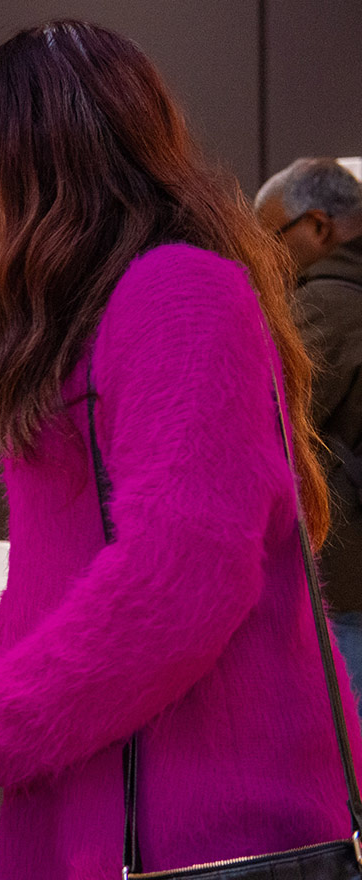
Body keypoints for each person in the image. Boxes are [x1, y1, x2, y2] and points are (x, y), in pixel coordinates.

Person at [0, 20, 362, 879]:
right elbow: (69, 570)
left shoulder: (177, 292)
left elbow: (181, 574)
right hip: (130, 805)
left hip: (205, 826)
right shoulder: (116, 308)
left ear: (49, 148)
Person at [256, 158, 362, 709]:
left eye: (272, 239)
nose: (266, 261)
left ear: (318, 226)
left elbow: (264, 425)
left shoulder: (322, 304)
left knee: (343, 756)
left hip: (346, 582)